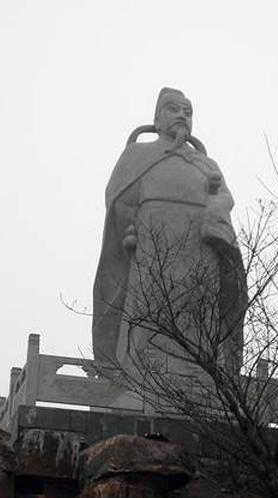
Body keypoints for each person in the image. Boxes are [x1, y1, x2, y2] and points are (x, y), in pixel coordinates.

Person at [92, 88, 246, 386]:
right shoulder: (137, 154)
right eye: (173, 109)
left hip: (201, 249)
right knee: (150, 311)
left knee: (200, 315)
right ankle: (137, 375)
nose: (181, 116)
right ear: (157, 119)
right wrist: (134, 226)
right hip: (154, 243)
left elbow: (226, 198)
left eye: (187, 112)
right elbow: (119, 198)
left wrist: (215, 206)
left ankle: (203, 377)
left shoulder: (205, 164)